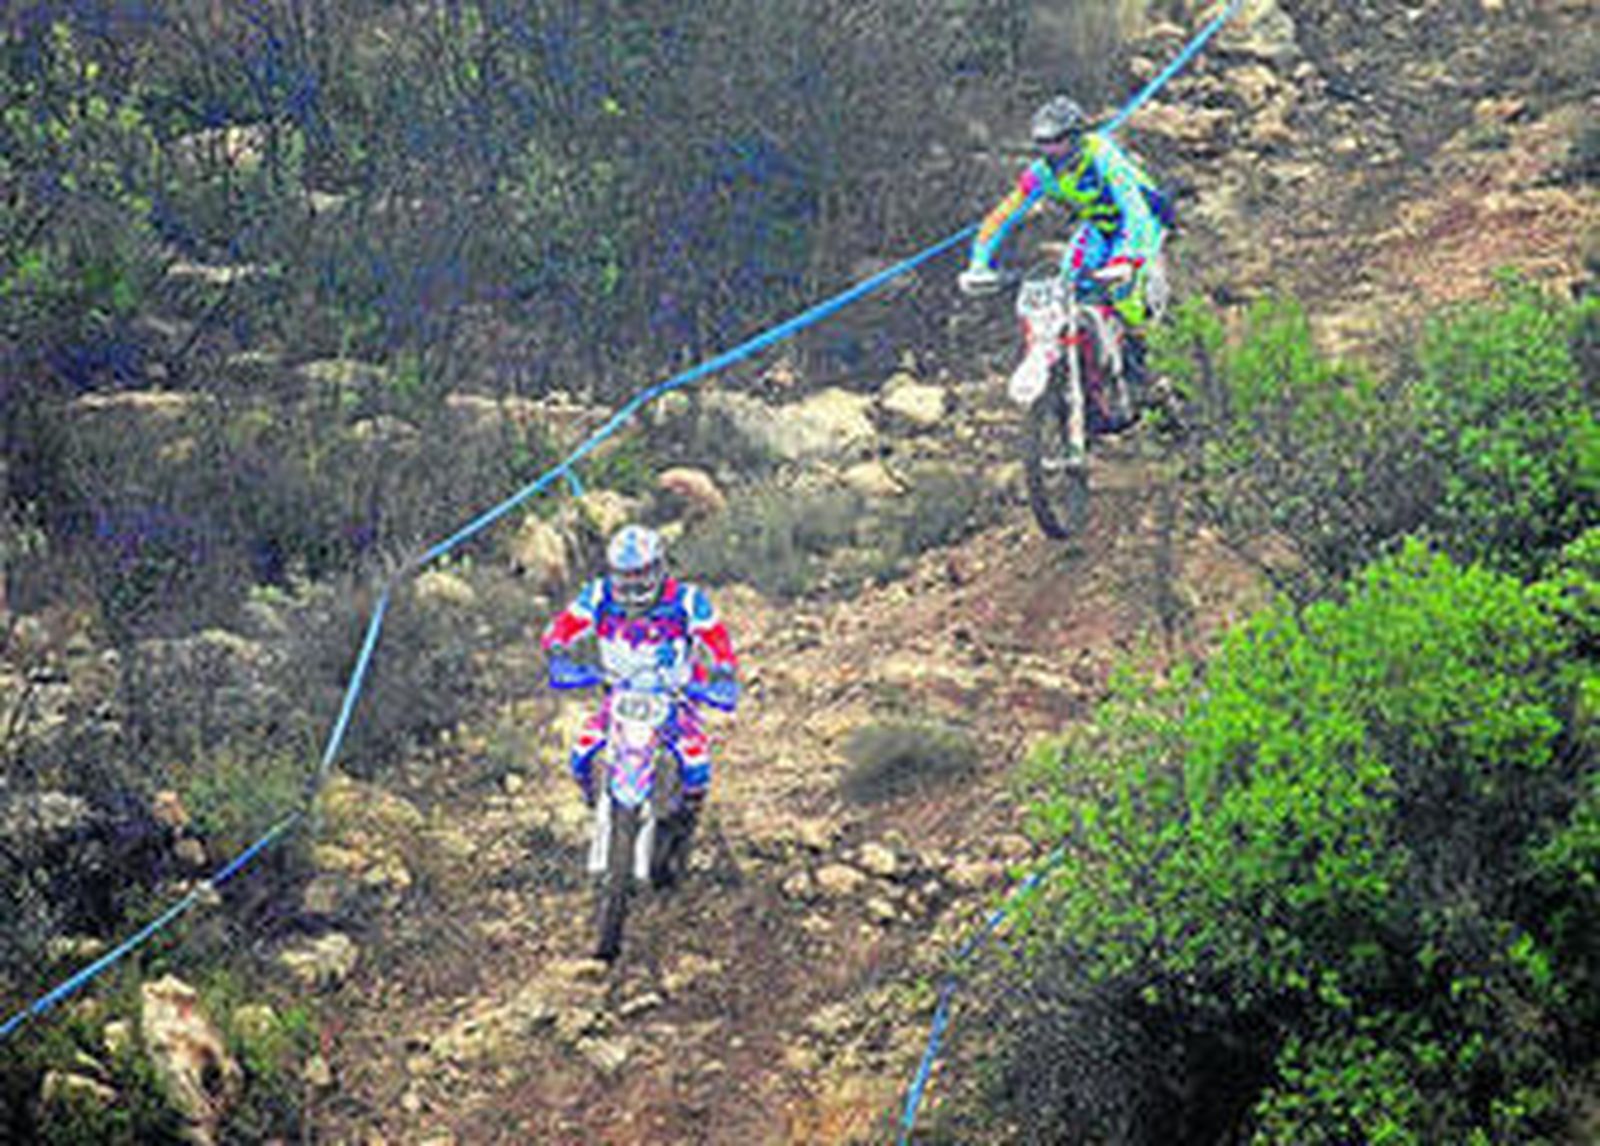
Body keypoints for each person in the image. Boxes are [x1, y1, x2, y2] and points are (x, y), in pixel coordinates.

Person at [958, 95, 1174, 415]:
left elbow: (1133, 208)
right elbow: (1003, 215)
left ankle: (1150, 375)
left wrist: (1127, 259)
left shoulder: (1101, 155)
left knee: (1126, 297)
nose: (1050, 150)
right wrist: (979, 262)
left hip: (1143, 223)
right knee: (1070, 284)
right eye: (1043, 143)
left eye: (1058, 141)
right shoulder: (1042, 173)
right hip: (1099, 226)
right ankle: (1090, 378)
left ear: (1075, 137)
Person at [542, 524, 739, 831]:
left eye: (641, 573)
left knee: (696, 765)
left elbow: (715, 637)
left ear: (658, 567)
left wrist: (724, 671)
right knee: (581, 754)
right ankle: (597, 802)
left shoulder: (686, 600)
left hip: (675, 697)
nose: (632, 582)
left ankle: (686, 820)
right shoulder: (598, 594)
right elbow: (568, 623)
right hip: (619, 693)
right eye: (625, 574)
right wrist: (557, 649)